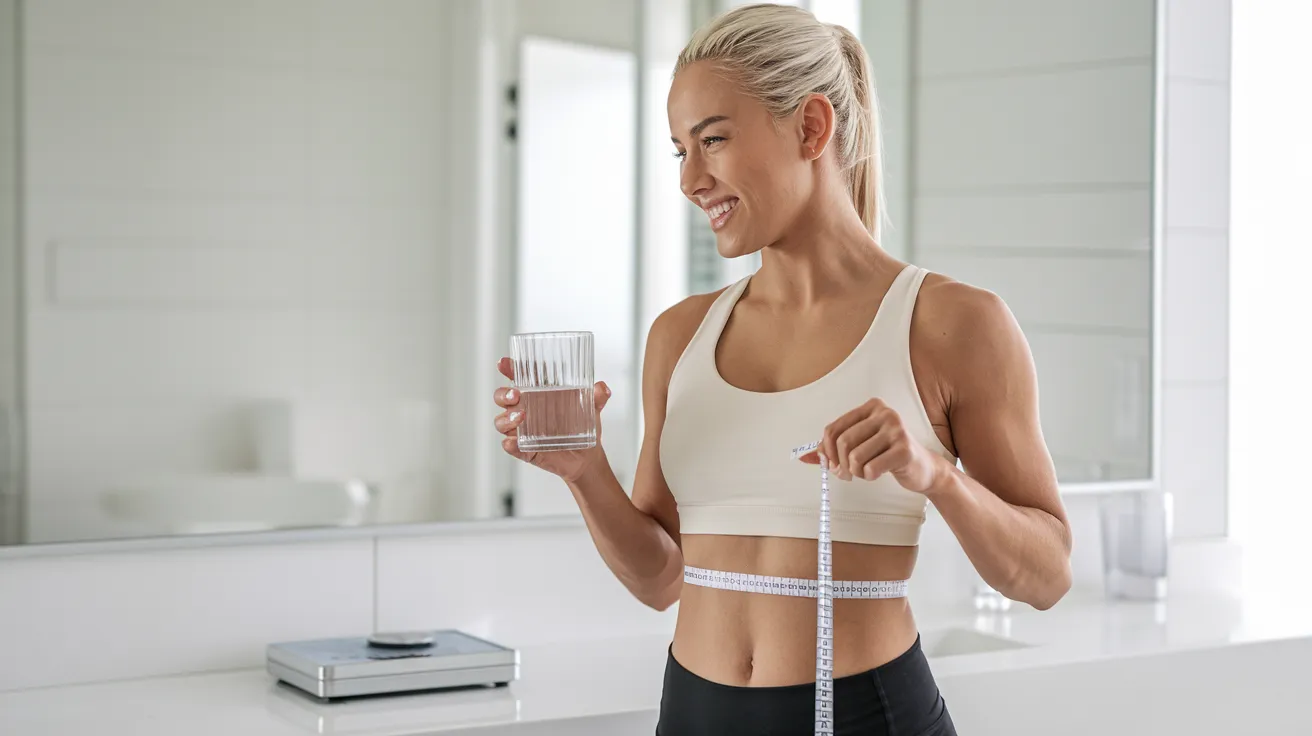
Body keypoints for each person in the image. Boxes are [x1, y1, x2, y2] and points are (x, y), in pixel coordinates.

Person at [492, 4, 1072, 734]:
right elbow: (663, 577)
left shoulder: (951, 323)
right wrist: (585, 472)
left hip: (866, 715)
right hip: (694, 713)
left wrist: (936, 476)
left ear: (811, 128)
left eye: (715, 141)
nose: (691, 181)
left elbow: (1046, 576)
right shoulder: (681, 335)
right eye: (680, 152)